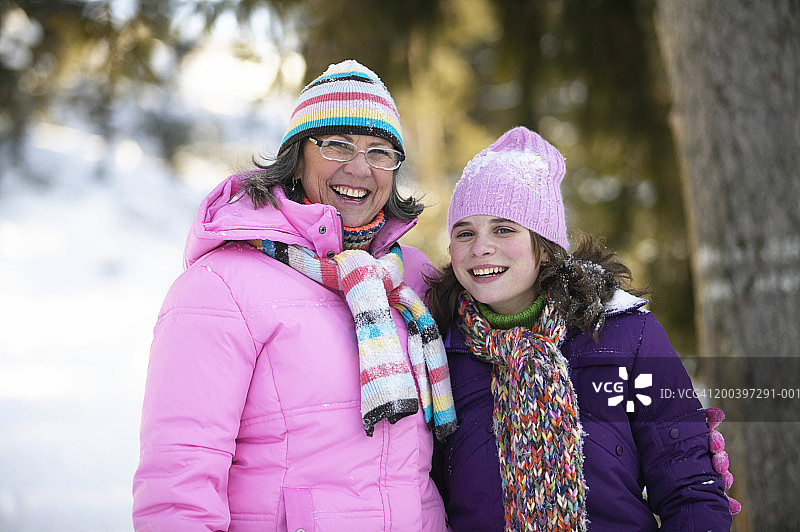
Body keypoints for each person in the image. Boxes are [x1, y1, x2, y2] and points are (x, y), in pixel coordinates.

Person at [132, 59, 456, 531]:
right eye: (337, 145)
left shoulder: (414, 283)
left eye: (380, 151)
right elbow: (179, 481)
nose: (360, 168)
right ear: (297, 155)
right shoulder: (222, 287)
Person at [426, 126, 735, 531]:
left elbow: (690, 488)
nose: (481, 246)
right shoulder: (438, 351)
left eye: (504, 229)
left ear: (545, 243)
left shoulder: (626, 334)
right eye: (464, 232)